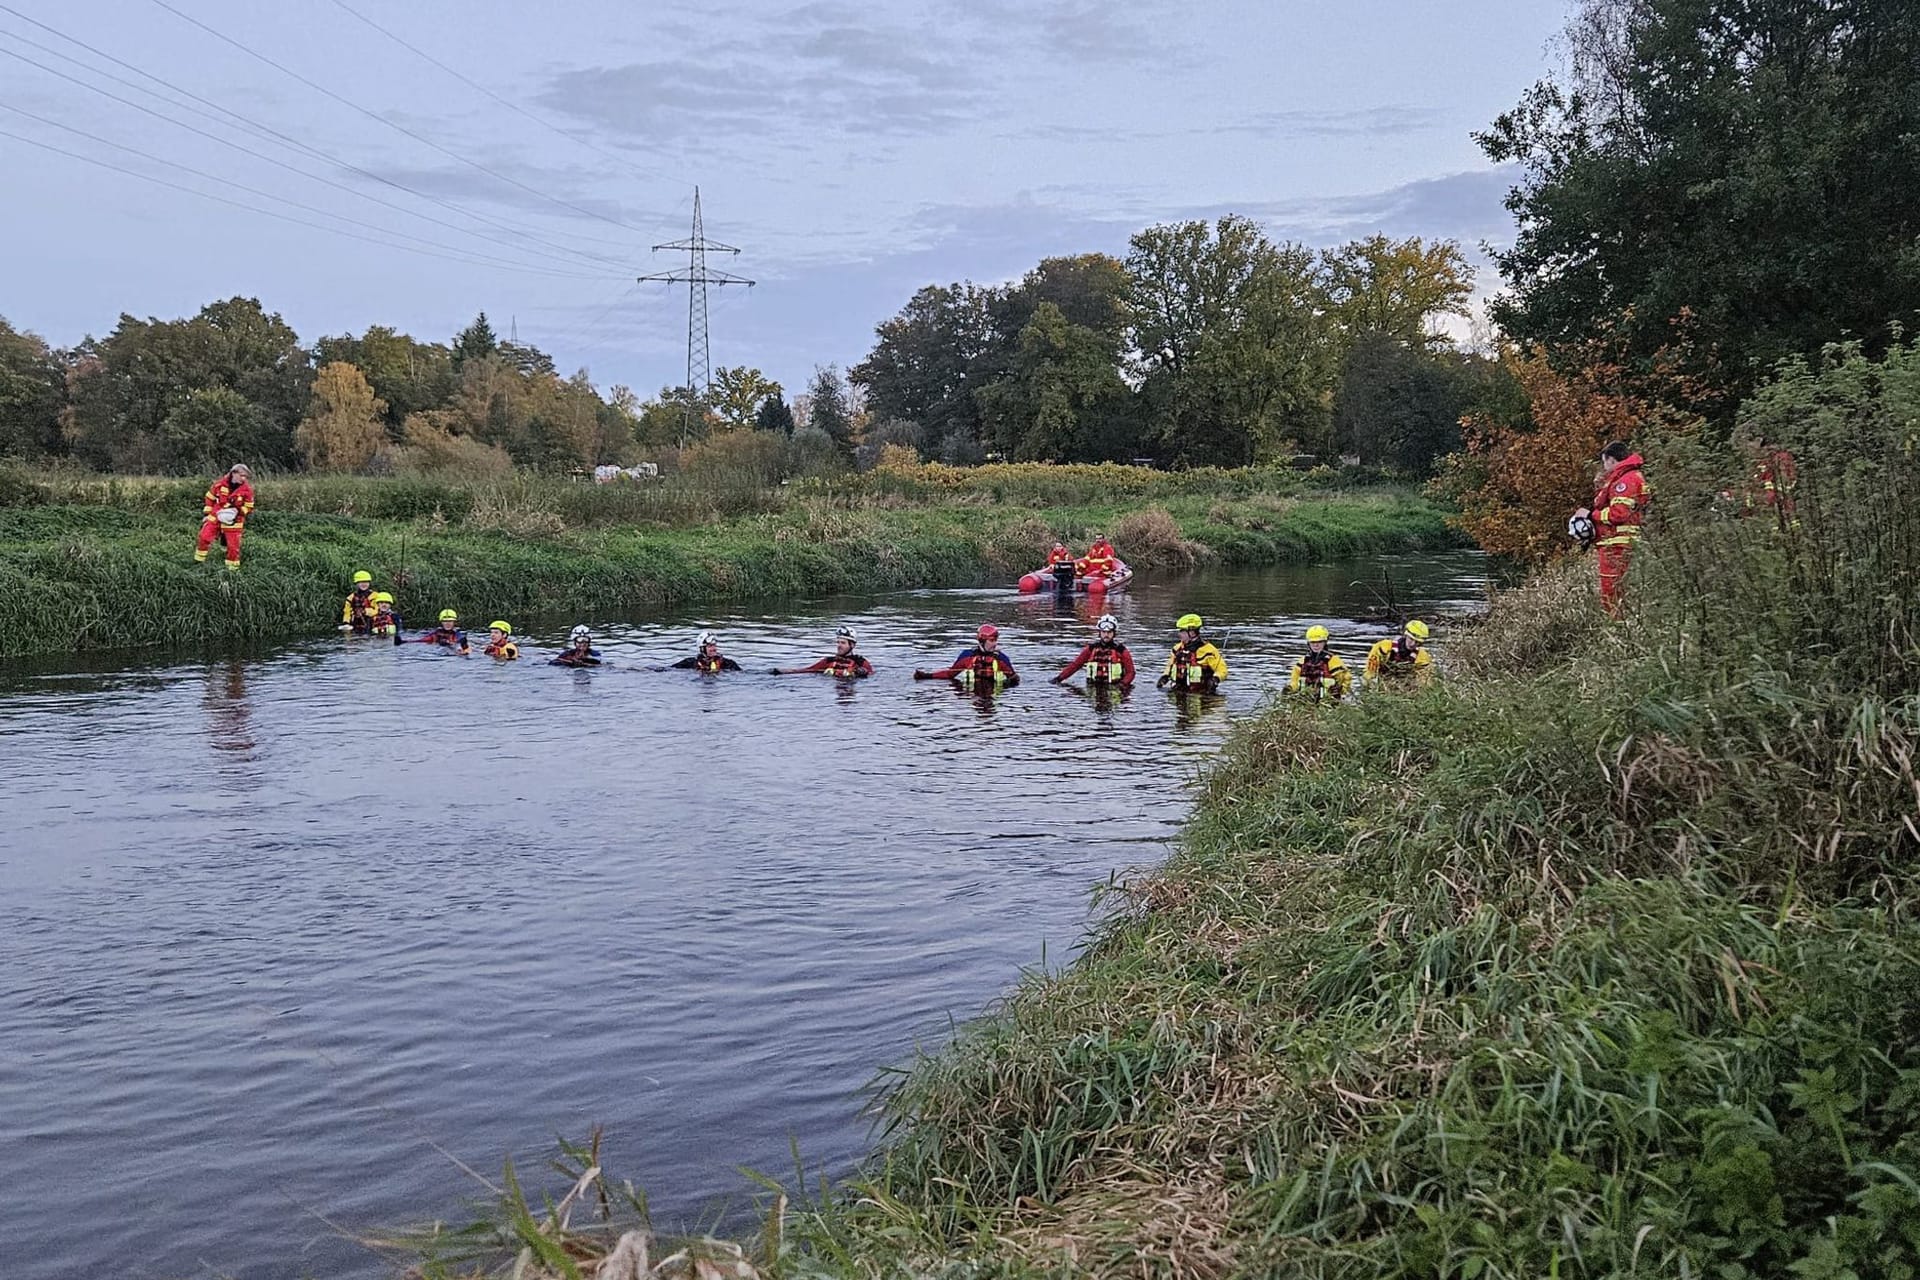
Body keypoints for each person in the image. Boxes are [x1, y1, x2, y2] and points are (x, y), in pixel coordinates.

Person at [1573, 441, 1648, 617]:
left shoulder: (1625, 480)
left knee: (1611, 591)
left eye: (1604, 462)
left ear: (1611, 460)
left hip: (1616, 546)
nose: (1604, 467)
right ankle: (1626, 625)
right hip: (1621, 543)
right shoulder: (1632, 476)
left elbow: (1618, 514)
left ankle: (1618, 628)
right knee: (1621, 591)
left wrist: (1592, 516)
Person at [915, 623, 1019, 688]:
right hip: (971, 693)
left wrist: (1006, 685)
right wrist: (927, 676)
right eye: (992, 640)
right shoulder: (967, 656)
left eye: (996, 640)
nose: (995, 644)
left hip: (993, 694)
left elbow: (1015, 679)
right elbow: (949, 674)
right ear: (982, 641)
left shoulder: (1001, 658)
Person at [194, 462, 254, 571]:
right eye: (241, 475)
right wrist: (207, 514)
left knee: (233, 546)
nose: (244, 478)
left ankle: (232, 570)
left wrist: (239, 511)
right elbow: (209, 497)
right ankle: (198, 562)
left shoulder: (247, 490)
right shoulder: (219, 484)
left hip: (235, 520)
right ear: (233, 473)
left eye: (245, 476)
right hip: (216, 515)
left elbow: (249, 506)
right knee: (204, 537)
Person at [1051, 614, 1135, 688]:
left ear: (1114, 633)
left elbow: (1131, 672)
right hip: (1093, 688)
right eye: (1104, 632)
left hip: (1114, 688)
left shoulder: (1121, 650)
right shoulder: (1091, 649)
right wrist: (1059, 678)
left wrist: (1122, 685)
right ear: (1099, 633)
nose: (1106, 635)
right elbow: (1075, 665)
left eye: (1109, 632)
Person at [1157, 614, 1227, 694]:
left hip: (1202, 695)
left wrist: (1215, 679)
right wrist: (1165, 676)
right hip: (1178, 692)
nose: (1179, 634)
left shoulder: (1209, 651)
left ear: (1192, 632)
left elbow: (1222, 670)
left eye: (1182, 631)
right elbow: (1170, 665)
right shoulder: (1177, 649)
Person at [772, 626, 874, 678]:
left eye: (843, 643)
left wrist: (863, 674)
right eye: (838, 642)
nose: (839, 645)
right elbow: (807, 670)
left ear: (852, 645)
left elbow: (872, 675)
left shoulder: (861, 662)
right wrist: (783, 671)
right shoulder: (828, 661)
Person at [1287, 625, 1352, 702]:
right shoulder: (1302, 662)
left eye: (1319, 642)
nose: (1316, 645)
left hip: (1328, 702)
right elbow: (1294, 681)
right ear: (1308, 643)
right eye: (1313, 642)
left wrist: (1341, 692)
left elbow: (1346, 680)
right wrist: (1289, 690)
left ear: (1325, 642)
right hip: (1305, 701)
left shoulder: (1334, 661)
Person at [1365, 619, 1433, 689]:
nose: (1413, 644)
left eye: (1417, 642)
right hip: (1383, 685)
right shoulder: (1383, 648)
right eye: (1411, 639)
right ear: (1406, 635)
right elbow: (1370, 672)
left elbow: (1425, 682)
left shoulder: (1423, 657)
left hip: (1406, 689)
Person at [670, 630, 743, 674]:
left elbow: (742, 674)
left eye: (714, 645)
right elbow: (669, 669)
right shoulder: (690, 663)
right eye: (710, 646)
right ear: (702, 648)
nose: (714, 648)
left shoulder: (728, 664)